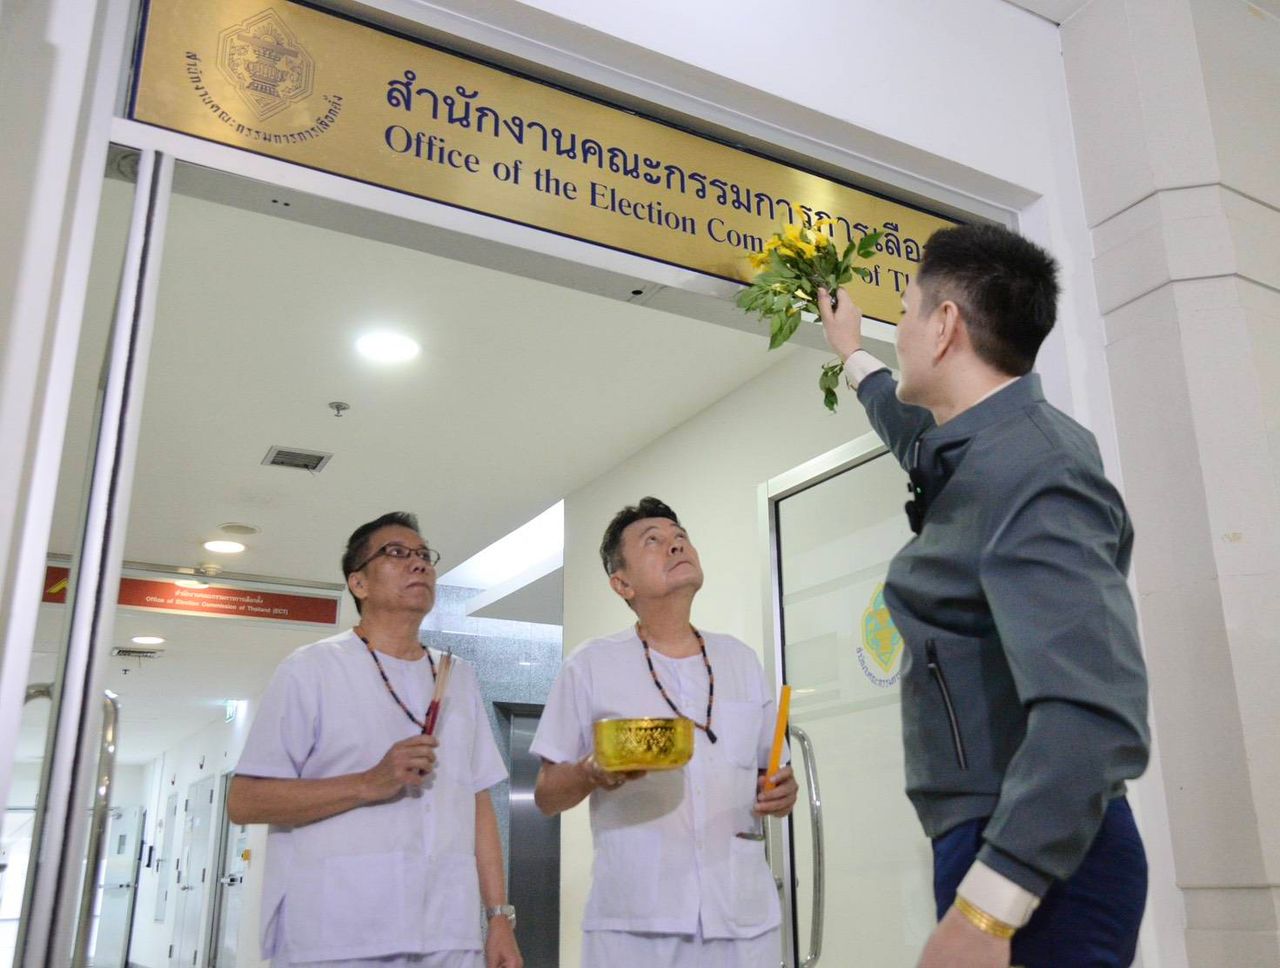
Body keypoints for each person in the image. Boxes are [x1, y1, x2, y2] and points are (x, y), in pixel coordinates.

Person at [815, 223, 1150, 968]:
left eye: (904, 312)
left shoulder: (1038, 469)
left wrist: (988, 909)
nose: (899, 331)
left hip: (1037, 866)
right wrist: (852, 354)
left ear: (944, 326)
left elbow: (1094, 713)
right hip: (1007, 841)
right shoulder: (986, 451)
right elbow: (916, 438)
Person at [227, 512, 522, 968]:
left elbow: (478, 800)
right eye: (396, 553)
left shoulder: (458, 676)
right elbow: (245, 801)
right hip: (338, 930)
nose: (418, 564)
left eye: (424, 555)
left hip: (448, 930)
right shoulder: (312, 668)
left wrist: (498, 916)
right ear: (358, 583)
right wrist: (368, 782)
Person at [531, 498, 797, 967]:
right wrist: (592, 771)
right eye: (652, 541)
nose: (675, 544)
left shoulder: (740, 660)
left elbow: (772, 773)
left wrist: (783, 792)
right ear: (622, 583)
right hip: (636, 923)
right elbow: (546, 796)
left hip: (739, 916)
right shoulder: (591, 665)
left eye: (680, 536)